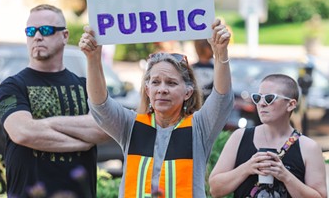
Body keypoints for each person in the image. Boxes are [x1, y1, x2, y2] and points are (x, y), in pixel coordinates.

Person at [80, 18, 233, 198]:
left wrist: (221, 54)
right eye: (155, 82)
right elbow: (100, 105)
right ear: (147, 89)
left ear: (188, 92)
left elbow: (222, 99)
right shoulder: (131, 125)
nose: (162, 89)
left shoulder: (199, 127)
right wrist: (93, 58)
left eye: (171, 83)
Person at [0, 4, 108, 198]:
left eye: (45, 30)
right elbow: (22, 132)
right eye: (31, 31)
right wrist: (83, 143)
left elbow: (102, 128)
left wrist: (44, 124)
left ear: (64, 36)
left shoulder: (86, 86)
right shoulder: (11, 87)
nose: (37, 36)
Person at [209, 73, 327, 198]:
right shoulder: (240, 137)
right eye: (258, 98)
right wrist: (247, 168)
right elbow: (215, 189)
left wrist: (285, 176)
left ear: (291, 104)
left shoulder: (308, 147)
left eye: (269, 98)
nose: (262, 103)